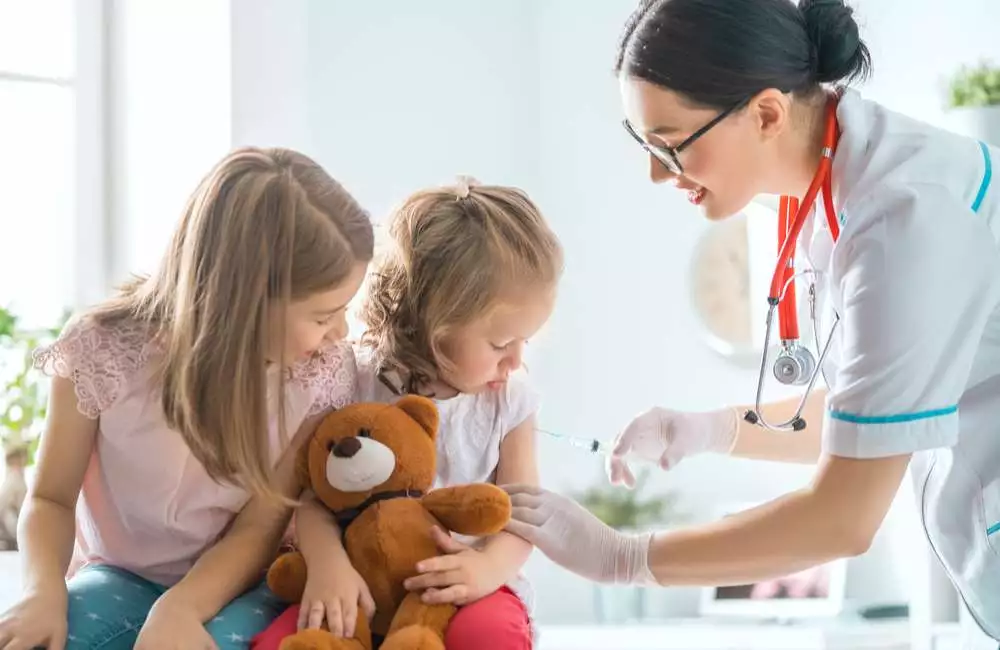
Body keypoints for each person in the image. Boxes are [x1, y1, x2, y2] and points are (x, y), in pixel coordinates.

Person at [502, 0, 1000, 643]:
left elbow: (842, 519)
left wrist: (624, 558)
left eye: (669, 145)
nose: (657, 173)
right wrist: (711, 430)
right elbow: (876, 413)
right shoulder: (835, 192)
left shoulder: (905, 217)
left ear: (767, 113)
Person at [0, 147, 374, 650]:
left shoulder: (316, 376)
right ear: (244, 304)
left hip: (243, 580)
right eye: (324, 315)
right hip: (119, 573)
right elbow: (50, 497)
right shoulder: (102, 350)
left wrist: (179, 608)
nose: (340, 332)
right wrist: (42, 591)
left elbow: (260, 527)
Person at [251, 177, 563, 650]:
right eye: (500, 343)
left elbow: (523, 517)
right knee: (286, 638)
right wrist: (329, 564)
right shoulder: (355, 380)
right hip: (358, 581)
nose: (515, 360)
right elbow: (313, 498)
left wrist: (485, 568)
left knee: (489, 637)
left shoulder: (510, 403)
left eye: (527, 341)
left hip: (465, 587)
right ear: (433, 324)